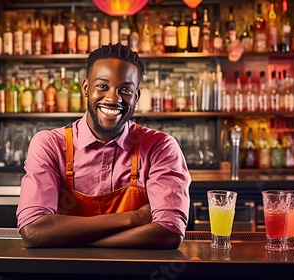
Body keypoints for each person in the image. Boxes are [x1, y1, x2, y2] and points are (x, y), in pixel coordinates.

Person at [16, 43, 191, 249]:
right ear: (86, 88)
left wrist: (76, 241)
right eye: (102, 86)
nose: (113, 98)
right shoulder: (49, 144)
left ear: (136, 97)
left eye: (125, 89)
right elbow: (34, 232)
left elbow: (169, 233)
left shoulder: (160, 147)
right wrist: (135, 218)